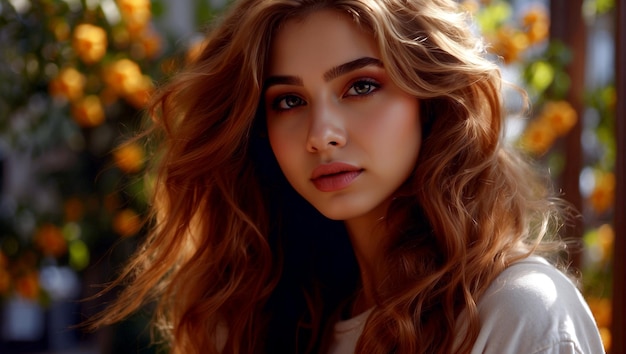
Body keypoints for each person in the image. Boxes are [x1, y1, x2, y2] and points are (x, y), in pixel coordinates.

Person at [88, 0, 606, 353]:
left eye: (360, 86)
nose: (321, 134)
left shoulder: (518, 312)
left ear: (432, 100)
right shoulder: (272, 319)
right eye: (288, 100)